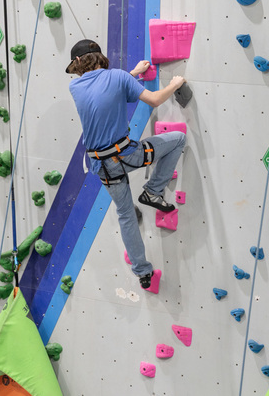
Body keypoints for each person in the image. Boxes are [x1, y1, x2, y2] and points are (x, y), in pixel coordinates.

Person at [67, 39, 187, 289]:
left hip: (101, 166)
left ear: (78, 62)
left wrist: (132, 74)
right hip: (127, 155)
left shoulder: (75, 86)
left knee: (125, 215)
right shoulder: (118, 77)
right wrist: (174, 84)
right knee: (178, 139)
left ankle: (142, 272)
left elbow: (103, 92)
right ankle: (153, 191)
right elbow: (154, 100)